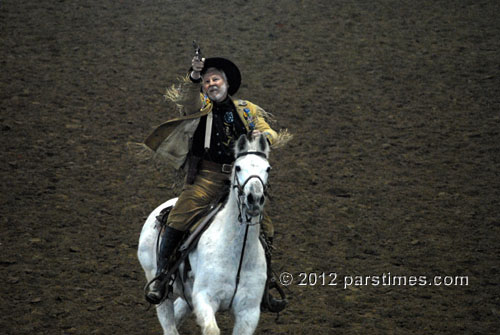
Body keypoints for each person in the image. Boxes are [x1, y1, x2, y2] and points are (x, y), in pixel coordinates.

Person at [143, 55, 286, 311]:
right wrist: (194, 75)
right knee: (179, 216)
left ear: (227, 83)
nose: (211, 84)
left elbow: (271, 132)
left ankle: (264, 285)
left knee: (266, 226)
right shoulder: (200, 106)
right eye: (207, 81)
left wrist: (264, 134)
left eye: (215, 79)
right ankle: (162, 276)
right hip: (206, 178)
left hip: (239, 178)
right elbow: (188, 97)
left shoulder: (247, 110)